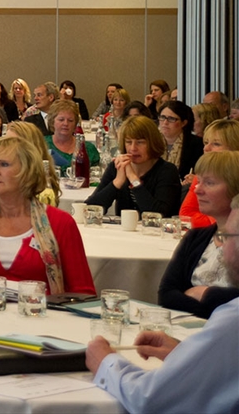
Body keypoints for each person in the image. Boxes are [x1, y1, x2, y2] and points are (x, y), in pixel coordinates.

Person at [85, 197, 239, 414]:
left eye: (227, 237)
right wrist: (185, 354)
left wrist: (105, 363)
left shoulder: (234, 319)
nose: (221, 250)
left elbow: (149, 399)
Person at [0, 136, 95, 295]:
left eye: (4, 164)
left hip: (42, 316)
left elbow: (83, 293)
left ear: (27, 171)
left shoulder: (60, 223)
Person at [158, 151, 239, 318]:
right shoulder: (195, 237)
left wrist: (204, 293)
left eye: (209, 183)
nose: (197, 190)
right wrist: (215, 305)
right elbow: (166, 296)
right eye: (198, 181)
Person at [86, 115, 181, 217]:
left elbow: (159, 214)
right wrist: (116, 183)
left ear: (153, 143)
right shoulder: (117, 167)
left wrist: (133, 179)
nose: (133, 148)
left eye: (140, 142)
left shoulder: (167, 171)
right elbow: (90, 210)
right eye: (128, 142)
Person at [181, 118, 239, 228]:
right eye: (206, 142)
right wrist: (214, 219)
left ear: (235, 148)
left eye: (216, 144)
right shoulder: (203, 174)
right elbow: (186, 216)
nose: (206, 148)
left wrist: (212, 219)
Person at [45, 99, 100, 168]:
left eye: (70, 120)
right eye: (61, 120)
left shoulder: (88, 149)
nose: (65, 123)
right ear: (52, 121)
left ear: (75, 124)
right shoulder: (42, 145)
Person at [159, 100, 204, 180]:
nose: (165, 122)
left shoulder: (197, 144)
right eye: (162, 117)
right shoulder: (151, 141)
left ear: (184, 123)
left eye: (171, 119)